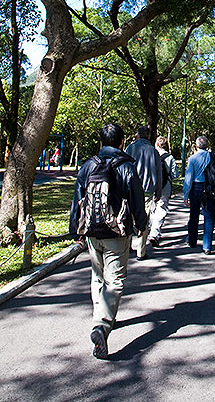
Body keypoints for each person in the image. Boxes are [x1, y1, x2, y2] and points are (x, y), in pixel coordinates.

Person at [69, 123, 147, 359]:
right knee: (115, 280)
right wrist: (141, 225)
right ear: (122, 142)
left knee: (98, 276)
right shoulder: (126, 166)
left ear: (101, 141)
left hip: (92, 231)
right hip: (116, 232)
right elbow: (136, 198)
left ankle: (100, 317)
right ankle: (101, 325)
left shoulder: (88, 165)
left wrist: (76, 229)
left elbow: (78, 197)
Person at [125, 124, 162, 260]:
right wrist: (158, 192)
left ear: (137, 135)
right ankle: (141, 251)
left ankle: (127, 246)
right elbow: (158, 173)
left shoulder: (130, 148)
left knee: (129, 217)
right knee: (143, 221)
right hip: (147, 191)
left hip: (129, 189)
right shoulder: (153, 151)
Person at [183, 134, 215, 255]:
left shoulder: (193, 158)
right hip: (210, 188)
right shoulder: (214, 156)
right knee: (209, 217)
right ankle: (207, 246)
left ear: (196, 145)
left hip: (196, 187)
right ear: (207, 145)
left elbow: (188, 178)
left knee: (194, 215)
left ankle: (192, 241)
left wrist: (186, 194)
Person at [148, 136, 179, 247]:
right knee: (161, 208)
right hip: (165, 186)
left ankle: (151, 229)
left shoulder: (151, 154)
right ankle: (154, 233)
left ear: (156, 144)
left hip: (152, 185)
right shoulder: (170, 157)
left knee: (152, 208)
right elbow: (175, 174)